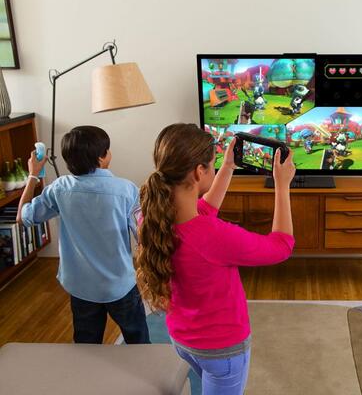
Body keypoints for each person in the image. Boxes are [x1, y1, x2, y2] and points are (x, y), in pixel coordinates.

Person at [135, 123, 295, 395]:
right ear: (199, 172)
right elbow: (281, 246)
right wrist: (282, 187)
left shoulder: (150, 219)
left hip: (182, 339)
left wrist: (228, 167)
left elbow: (205, 209)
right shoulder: (214, 236)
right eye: (212, 164)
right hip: (222, 351)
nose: (214, 167)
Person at [17, 126, 149, 344]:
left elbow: (23, 217)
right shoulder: (126, 190)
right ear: (101, 157)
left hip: (81, 287)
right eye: (108, 150)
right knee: (139, 343)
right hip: (120, 286)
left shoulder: (59, 189)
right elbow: (144, 236)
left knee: (87, 347)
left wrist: (33, 175)